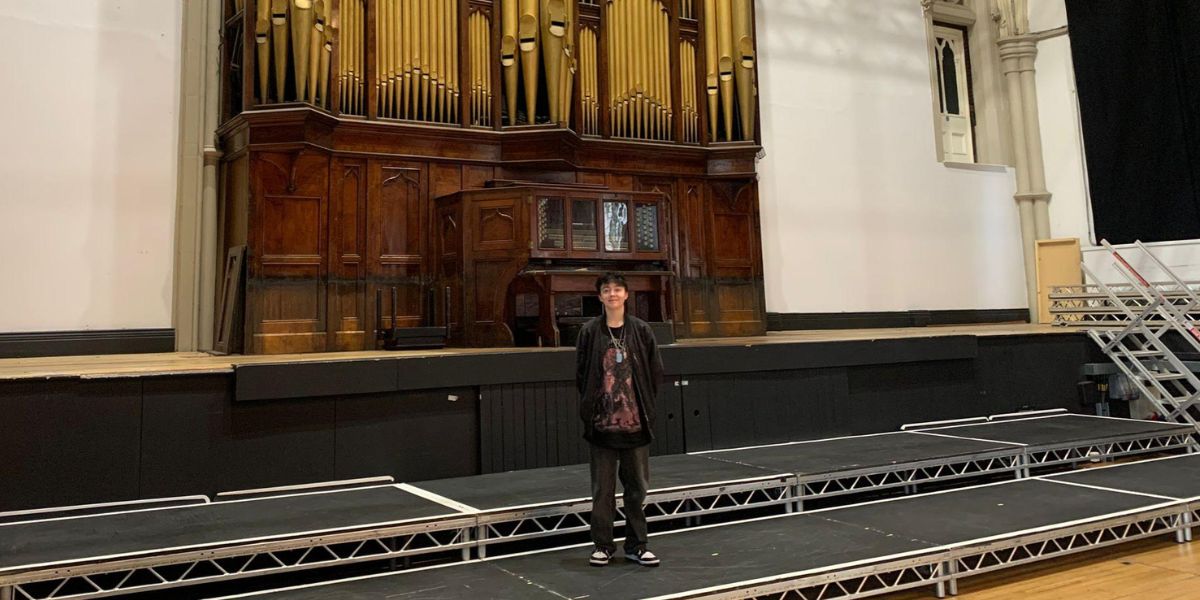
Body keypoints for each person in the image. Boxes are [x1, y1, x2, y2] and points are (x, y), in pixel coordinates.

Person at [575, 272, 664, 568]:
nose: (612, 294)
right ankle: (602, 545)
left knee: (637, 490)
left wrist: (643, 407)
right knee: (602, 492)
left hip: (636, 425)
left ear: (626, 295)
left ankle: (637, 545)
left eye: (617, 289)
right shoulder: (590, 332)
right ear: (600, 297)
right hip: (601, 426)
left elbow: (654, 372)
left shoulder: (641, 330)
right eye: (606, 290)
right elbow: (582, 374)